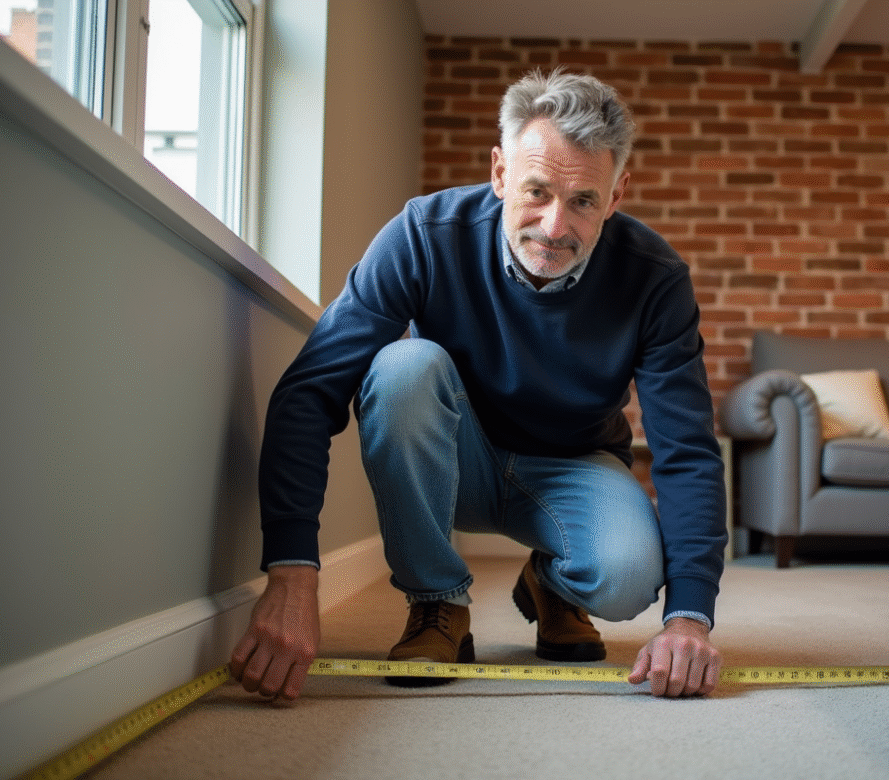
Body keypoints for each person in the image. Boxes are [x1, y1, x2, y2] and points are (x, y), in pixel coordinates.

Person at [229, 69, 727, 700]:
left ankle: (552, 584)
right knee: (402, 368)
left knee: (628, 576)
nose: (554, 227)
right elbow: (310, 390)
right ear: (499, 173)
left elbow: (686, 450)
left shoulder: (655, 277)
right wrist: (293, 575)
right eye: (537, 191)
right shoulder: (423, 234)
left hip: (574, 465)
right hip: (452, 456)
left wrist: (689, 619)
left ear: (616, 195)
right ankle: (436, 602)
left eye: (583, 201)